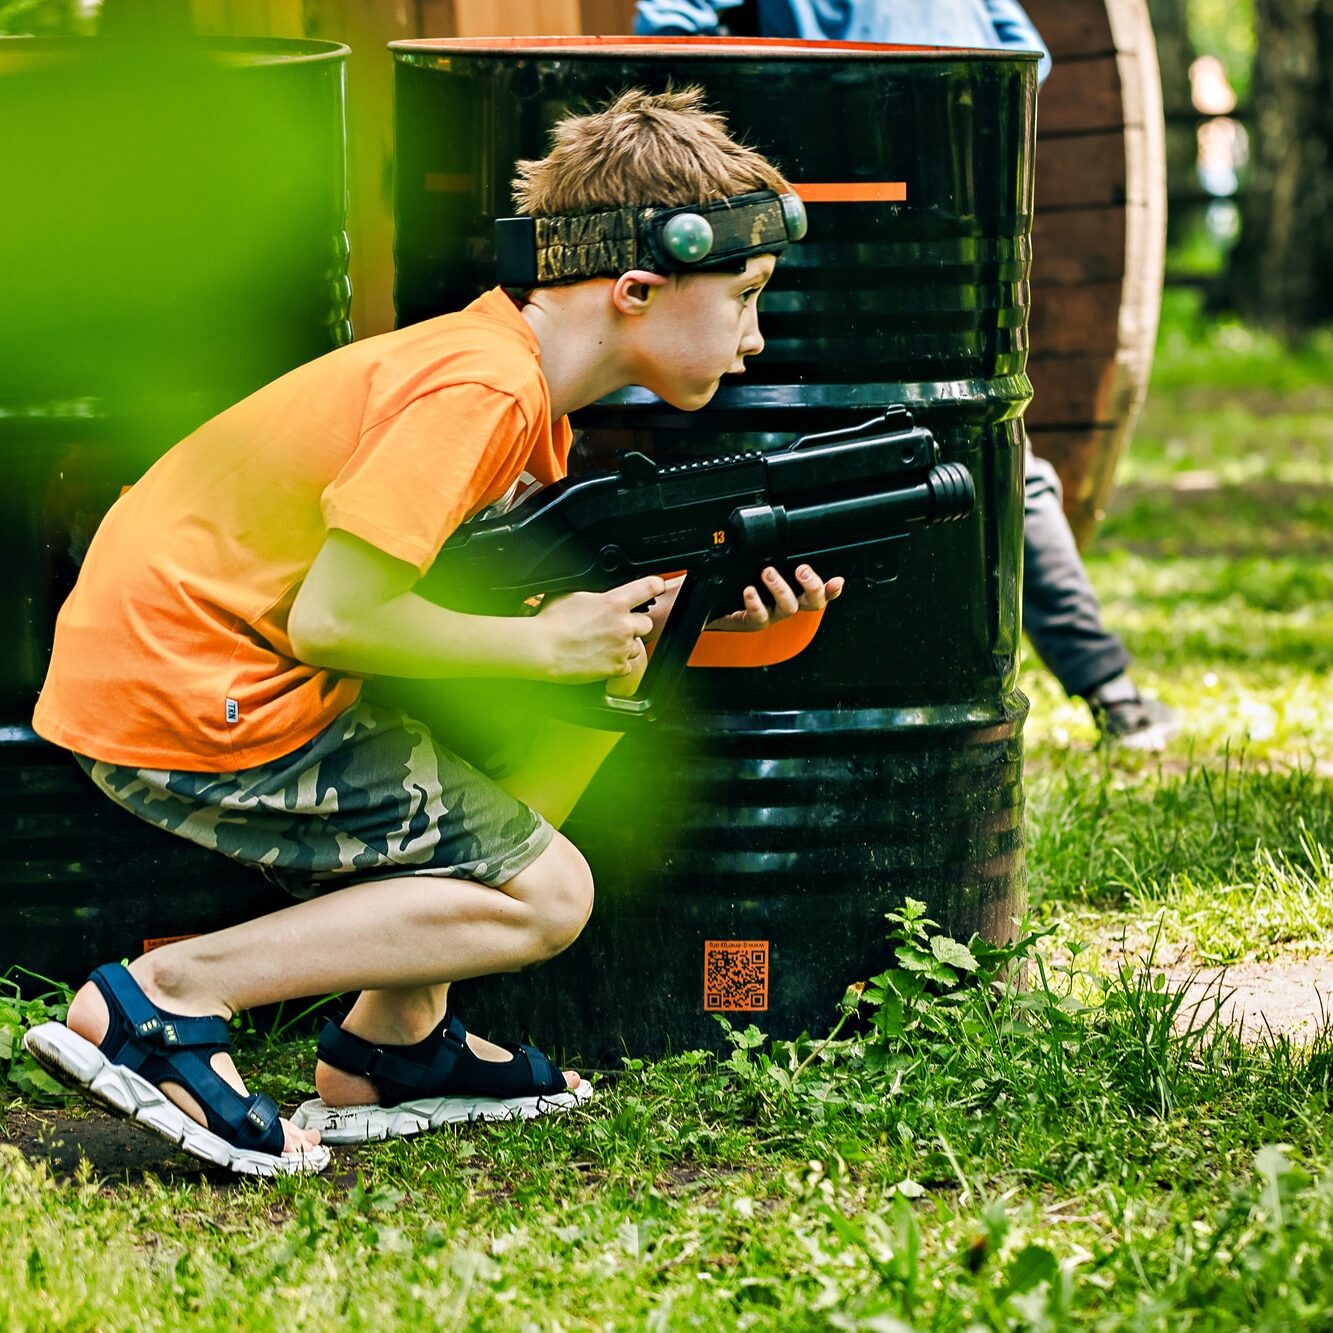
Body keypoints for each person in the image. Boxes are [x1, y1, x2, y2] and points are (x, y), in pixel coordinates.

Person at [23, 87, 841, 1176]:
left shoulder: (504, 385)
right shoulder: (482, 388)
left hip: (190, 669)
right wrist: (546, 647)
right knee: (551, 895)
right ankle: (163, 1001)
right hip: (195, 691)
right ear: (638, 288)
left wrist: (698, 620)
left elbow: (426, 612)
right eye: (743, 296)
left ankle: (391, 1044)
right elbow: (339, 614)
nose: (755, 335)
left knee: (564, 728)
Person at [635, 0, 1179, 751]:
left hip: (837, 219)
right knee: (976, 446)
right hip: (935, 214)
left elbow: (665, 42)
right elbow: (1023, 65)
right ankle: (1105, 689)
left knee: (958, 451)